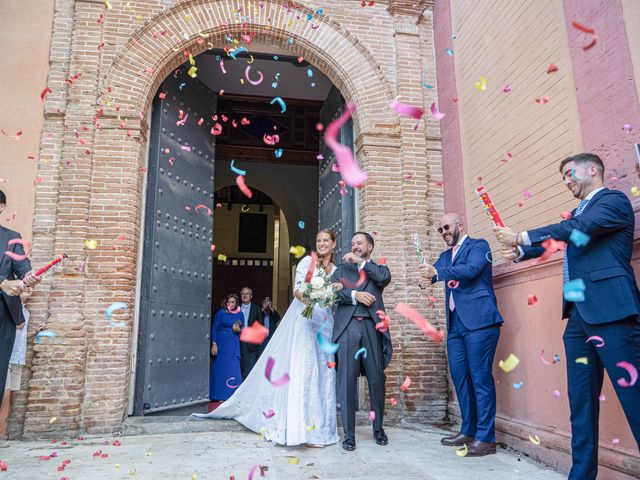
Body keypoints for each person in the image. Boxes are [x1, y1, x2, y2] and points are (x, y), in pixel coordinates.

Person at [494, 153, 640, 479]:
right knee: (581, 404)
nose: (566, 181)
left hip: (612, 314)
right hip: (578, 321)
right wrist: (520, 252)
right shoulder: (578, 214)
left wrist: (521, 236)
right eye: (563, 177)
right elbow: (562, 242)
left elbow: (578, 228)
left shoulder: (612, 202)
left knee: (635, 398)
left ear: (592, 170)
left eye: (569, 173)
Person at [193, 229, 340, 447]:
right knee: (306, 370)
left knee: (323, 374)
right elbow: (298, 291)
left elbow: (337, 295)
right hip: (305, 321)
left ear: (334, 244)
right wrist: (312, 299)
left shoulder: (336, 270)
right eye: (318, 240)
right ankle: (304, 430)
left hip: (324, 325)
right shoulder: (306, 262)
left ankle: (323, 430)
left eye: (326, 240)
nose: (321, 243)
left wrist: (328, 295)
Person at [419, 214, 503, 456]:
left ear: (460, 225)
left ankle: (486, 438)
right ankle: (468, 429)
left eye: (447, 227)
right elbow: (436, 273)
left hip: (480, 321)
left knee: (480, 378)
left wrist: (437, 271)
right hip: (455, 325)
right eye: (440, 229)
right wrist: (427, 277)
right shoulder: (446, 256)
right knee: (460, 377)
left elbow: (472, 269)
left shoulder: (479, 245)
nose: (444, 231)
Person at [332, 231, 392, 452]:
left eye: (360, 243)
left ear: (370, 247)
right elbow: (331, 292)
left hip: (371, 328)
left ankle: (378, 429)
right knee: (346, 381)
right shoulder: (342, 270)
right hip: (348, 328)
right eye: (353, 243)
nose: (355, 246)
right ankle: (349, 435)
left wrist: (361, 262)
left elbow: (383, 279)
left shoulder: (379, 269)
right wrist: (354, 295)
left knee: (376, 379)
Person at [0, 189, 39, 409]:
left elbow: (23, 267)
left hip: (4, 313)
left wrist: (29, 276)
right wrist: (2, 282)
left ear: (1, 207)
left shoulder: (11, 238)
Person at [0, 287, 33, 446]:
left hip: (17, 357)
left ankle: (3, 432)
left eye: (31, 289)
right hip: (5, 356)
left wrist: (34, 333)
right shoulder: (5, 309)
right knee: (4, 395)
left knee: (10, 395)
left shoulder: (26, 312)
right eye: (25, 288)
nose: (29, 291)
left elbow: (20, 334)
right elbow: (16, 326)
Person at [209, 294, 243, 401]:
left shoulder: (240, 314)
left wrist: (238, 330)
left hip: (233, 344)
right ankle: (219, 395)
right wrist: (214, 344)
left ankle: (232, 396)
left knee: (232, 368)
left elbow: (243, 330)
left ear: (236, 303)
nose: (230, 304)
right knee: (220, 369)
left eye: (232, 302)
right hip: (221, 344)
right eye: (228, 302)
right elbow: (214, 328)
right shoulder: (221, 313)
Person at [239, 287, 262, 378]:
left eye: (247, 294)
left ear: (251, 296)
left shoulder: (257, 309)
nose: (245, 296)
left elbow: (260, 326)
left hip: (251, 344)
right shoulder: (236, 308)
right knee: (238, 369)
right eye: (243, 294)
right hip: (237, 342)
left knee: (250, 370)